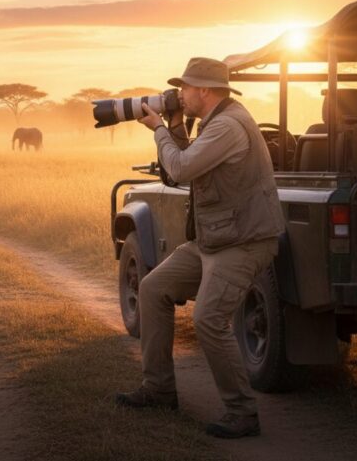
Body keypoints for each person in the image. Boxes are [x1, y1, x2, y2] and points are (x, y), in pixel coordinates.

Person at [115, 57, 285, 439]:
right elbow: (182, 167)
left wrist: (158, 128)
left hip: (242, 242)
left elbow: (180, 169)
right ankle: (159, 389)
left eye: (185, 89)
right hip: (215, 240)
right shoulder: (215, 121)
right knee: (153, 288)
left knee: (208, 319)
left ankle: (242, 412)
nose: (179, 95)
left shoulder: (228, 125)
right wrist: (175, 125)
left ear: (204, 91)